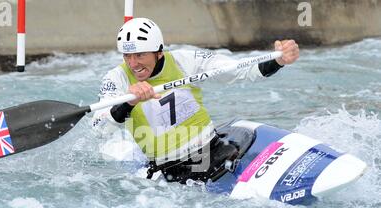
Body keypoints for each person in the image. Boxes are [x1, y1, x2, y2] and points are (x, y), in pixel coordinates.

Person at [92, 17, 299, 183]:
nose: (133, 64)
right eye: (127, 56)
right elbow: (99, 128)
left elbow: (238, 71)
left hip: (214, 149)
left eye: (140, 55)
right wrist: (128, 102)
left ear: (158, 52)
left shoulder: (185, 60)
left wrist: (278, 60)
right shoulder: (116, 79)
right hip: (171, 169)